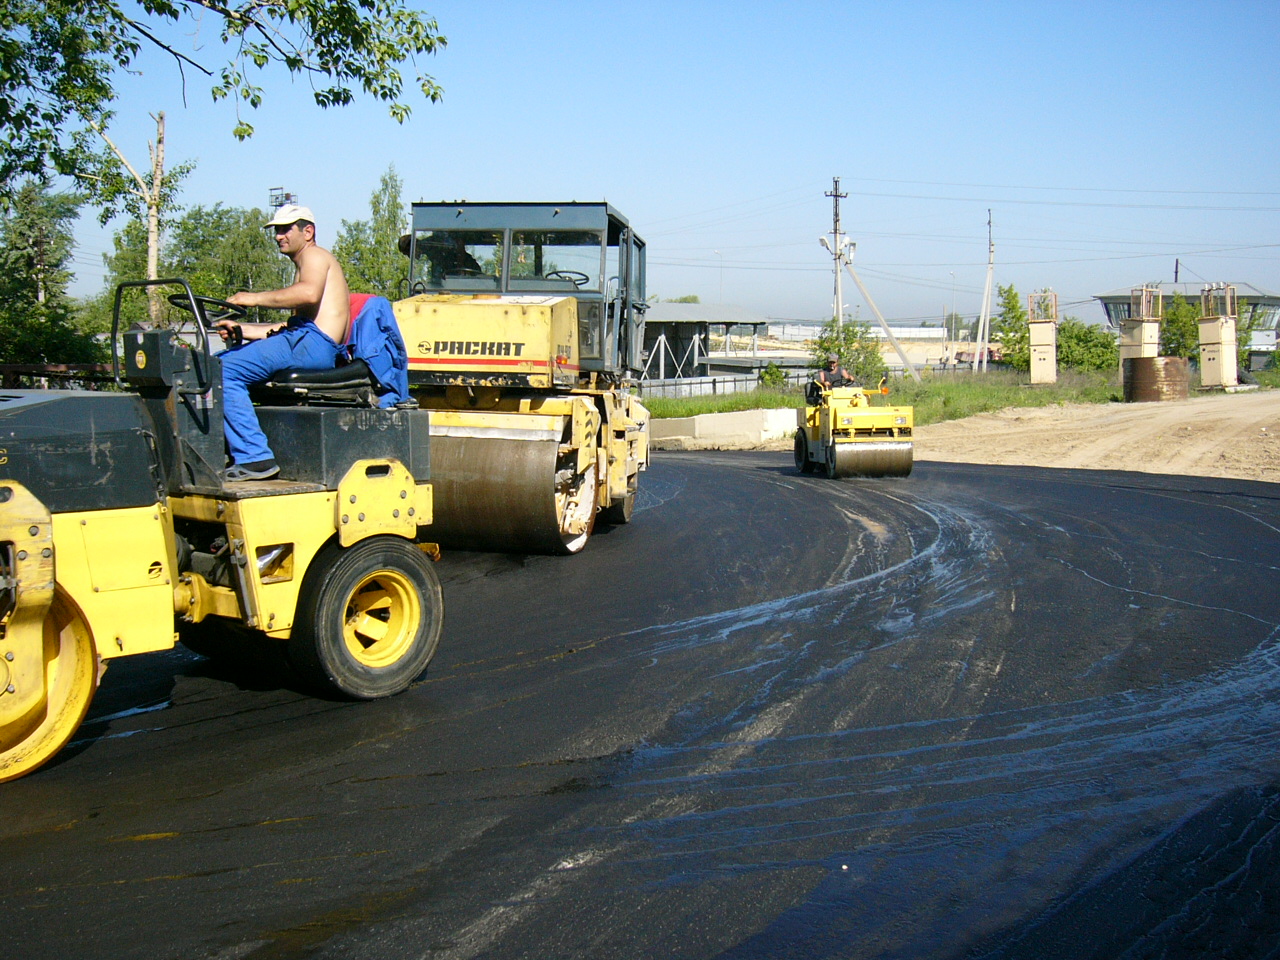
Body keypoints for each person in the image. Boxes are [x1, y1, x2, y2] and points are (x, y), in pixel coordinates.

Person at [215, 204, 350, 480]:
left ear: (308, 231)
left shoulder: (314, 256)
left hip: (312, 345)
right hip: (303, 341)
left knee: (222, 372)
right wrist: (242, 330)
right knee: (218, 362)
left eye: (285, 229)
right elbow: (287, 329)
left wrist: (250, 298)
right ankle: (231, 450)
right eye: (276, 230)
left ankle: (255, 458)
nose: (278, 236)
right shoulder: (304, 265)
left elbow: (308, 294)